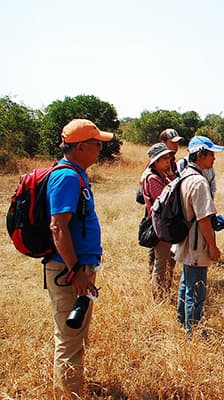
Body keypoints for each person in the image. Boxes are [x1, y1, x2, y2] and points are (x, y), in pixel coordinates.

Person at [45, 119, 113, 398]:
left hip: (77, 268)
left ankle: (75, 386)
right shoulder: (67, 177)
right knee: (69, 338)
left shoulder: (77, 174)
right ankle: (68, 394)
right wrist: (75, 272)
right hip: (68, 270)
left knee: (77, 335)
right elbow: (57, 227)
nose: (100, 149)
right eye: (97, 144)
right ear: (82, 146)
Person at [175, 136, 223, 337]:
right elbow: (203, 219)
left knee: (186, 283)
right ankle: (192, 331)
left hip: (186, 239)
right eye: (211, 154)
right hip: (197, 243)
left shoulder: (184, 175)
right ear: (200, 155)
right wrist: (212, 246)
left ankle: (182, 320)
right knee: (196, 289)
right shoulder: (199, 182)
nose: (213, 158)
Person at [142, 143, 176, 301]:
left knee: (168, 260)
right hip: (161, 226)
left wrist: (170, 174)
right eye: (164, 158)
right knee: (161, 262)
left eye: (168, 157)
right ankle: (158, 297)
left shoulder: (163, 175)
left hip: (166, 225)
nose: (168, 161)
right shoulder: (153, 178)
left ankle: (165, 292)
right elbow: (164, 202)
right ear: (155, 161)